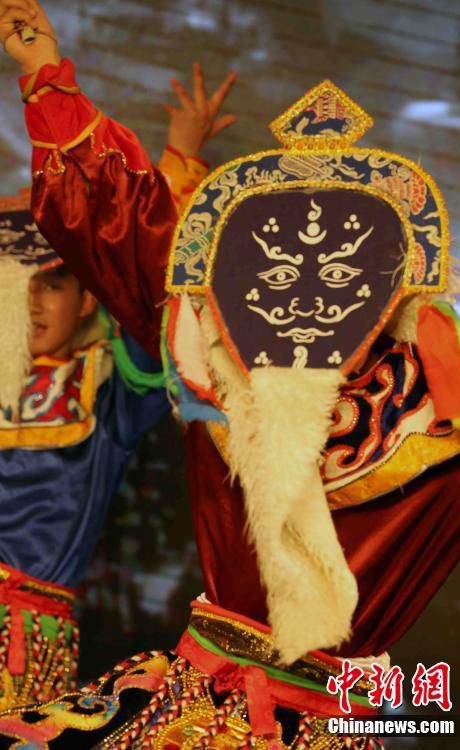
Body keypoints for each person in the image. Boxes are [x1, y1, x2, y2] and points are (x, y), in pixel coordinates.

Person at [0, 2, 460, 748]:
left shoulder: (452, 405)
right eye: (278, 271)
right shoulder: (218, 353)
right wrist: (46, 74)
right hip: (195, 709)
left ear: (396, 285)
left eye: (341, 273)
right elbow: (120, 221)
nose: (307, 296)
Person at [0, 34, 236, 711]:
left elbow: (147, 286)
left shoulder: (107, 389)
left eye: (53, 285)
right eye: (20, 285)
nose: (34, 303)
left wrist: (180, 160)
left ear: (86, 301)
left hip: (21, 642)